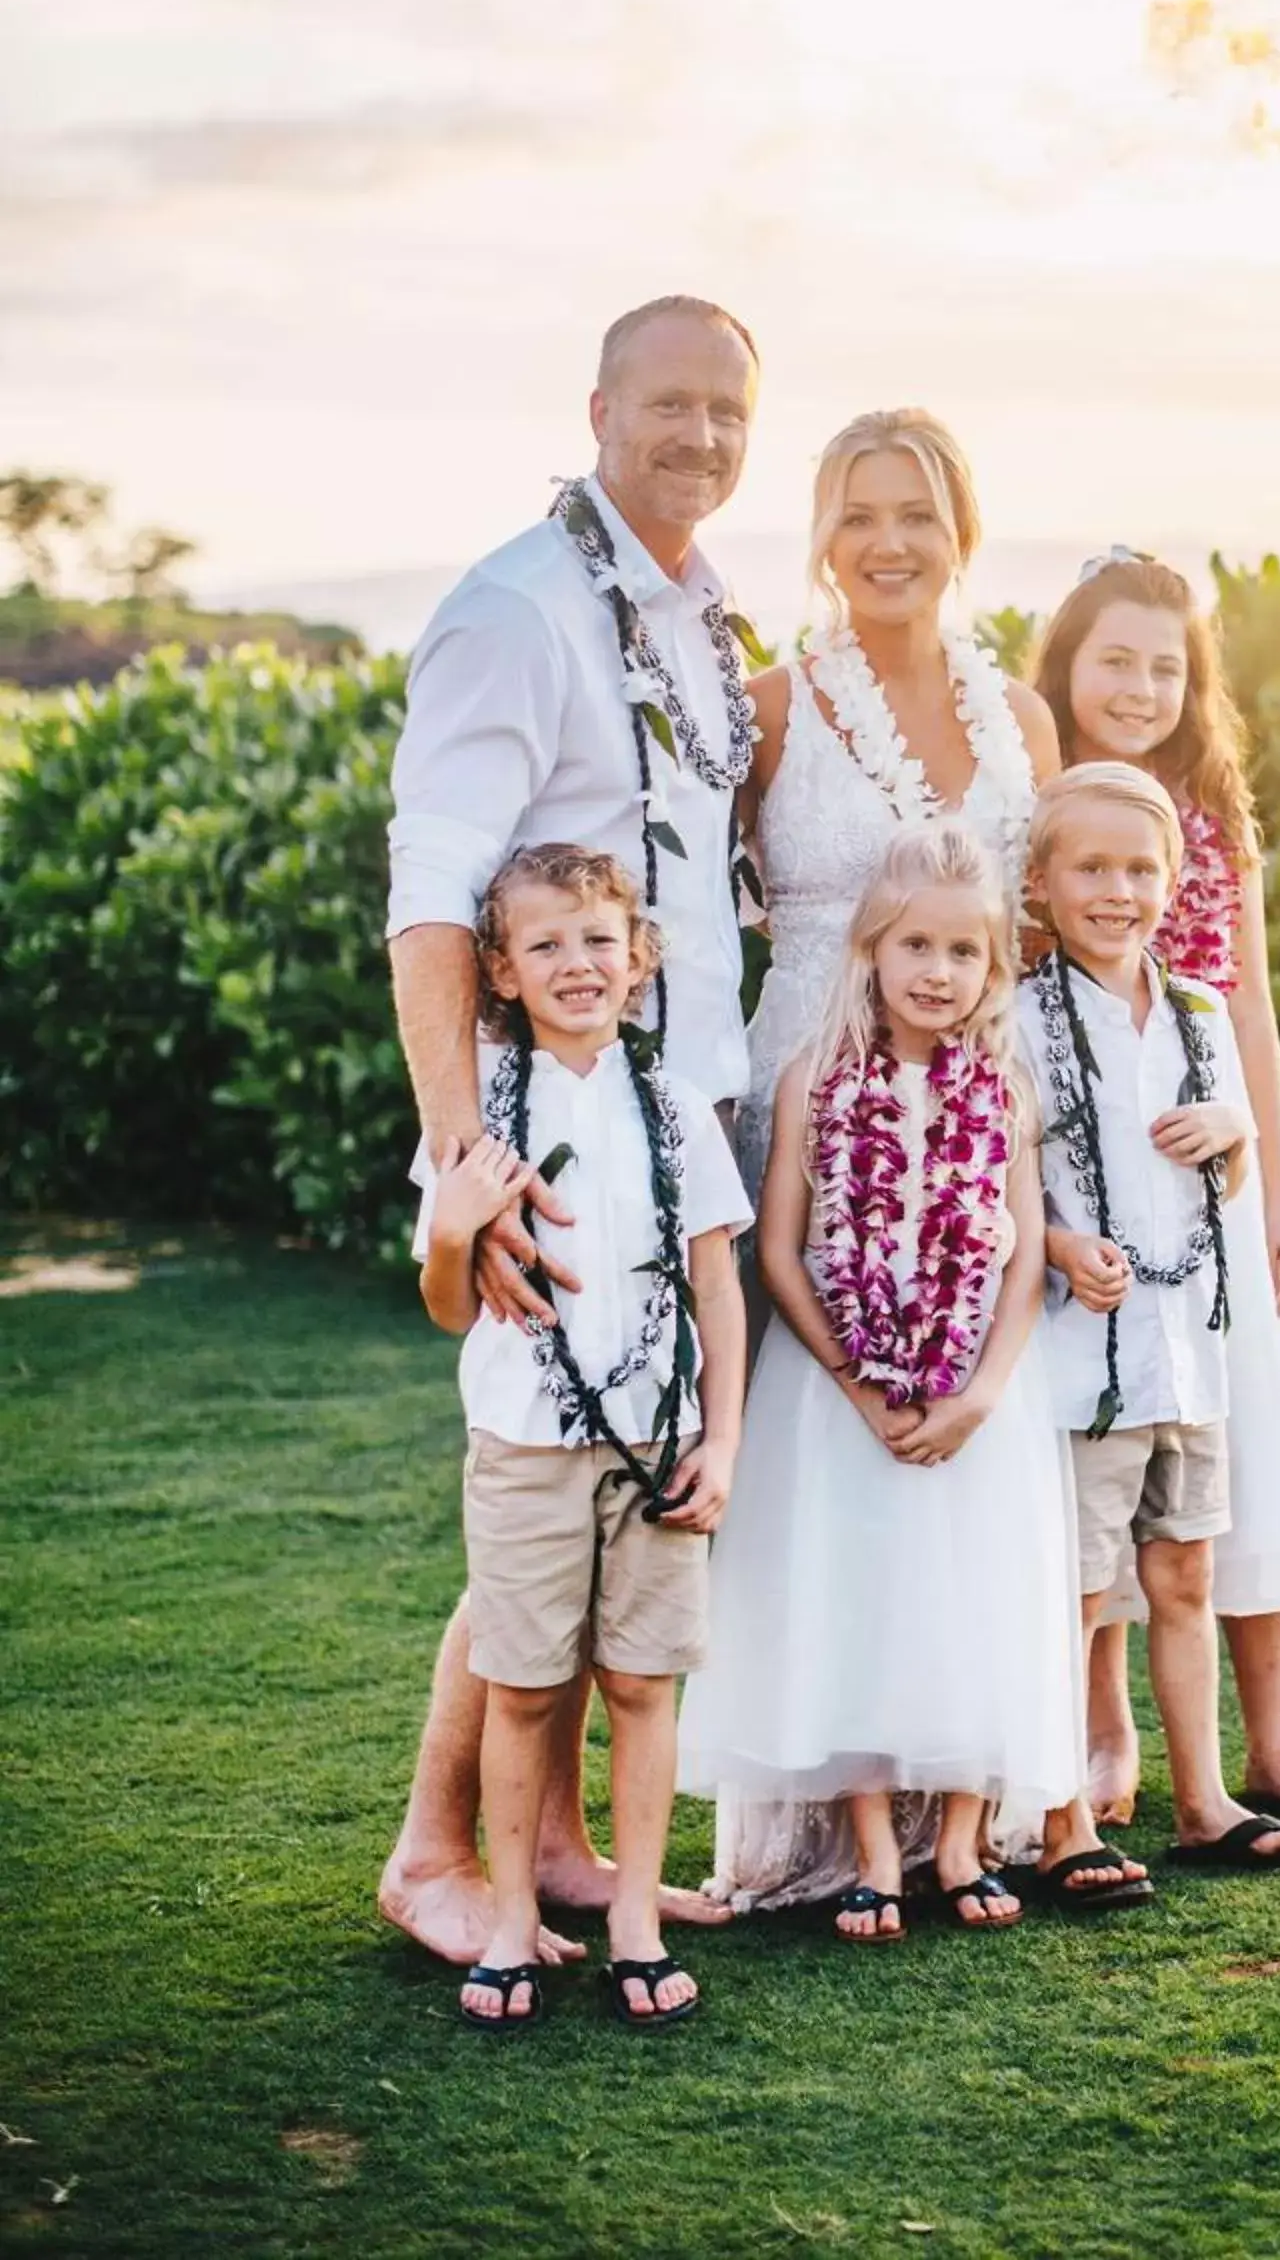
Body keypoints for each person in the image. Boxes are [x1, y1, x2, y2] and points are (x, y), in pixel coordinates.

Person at [380, 293, 760, 1964]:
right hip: (535, 1139)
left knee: (607, 1476)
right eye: (670, 404)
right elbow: (431, 897)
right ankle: (430, 1854)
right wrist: (472, 1159)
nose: (699, 437)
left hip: (663, 1113)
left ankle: (564, 1852)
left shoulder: (697, 612)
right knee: (537, 1490)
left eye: (729, 413)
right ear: (599, 407)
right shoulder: (520, 609)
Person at [680, 823, 1140, 1931]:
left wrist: (978, 1392)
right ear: (871, 951)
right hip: (841, 1396)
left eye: (963, 953)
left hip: (983, 1392)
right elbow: (780, 1253)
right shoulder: (815, 1081)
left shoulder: (1003, 1086)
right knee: (861, 1598)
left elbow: (1028, 1251)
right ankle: (878, 1849)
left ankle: (962, 1842)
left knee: (982, 1598)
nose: (938, 973)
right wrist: (856, 1378)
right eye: (917, 948)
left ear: (993, 966)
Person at [1032, 555, 1280, 1837]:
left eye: (1166, 667)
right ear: (1066, 662)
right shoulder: (1038, 814)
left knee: (1246, 1443)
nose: (1139, 687)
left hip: (1214, 1181)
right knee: (1106, 1437)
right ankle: (1109, 1730)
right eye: (1114, 659)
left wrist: (1279, 1199)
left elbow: (1252, 1018)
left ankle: (1273, 1747)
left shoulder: (1215, 826)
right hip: (1087, 1191)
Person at [414, 844, 750, 2028]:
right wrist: (455, 1230)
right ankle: (510, 1921)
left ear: (637, 958)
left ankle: (635, 1922)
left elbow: (716, 1283)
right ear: (499, 971)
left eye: (599, 940)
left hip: (659, 1442)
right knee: (520, 1688)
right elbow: (449, 1306)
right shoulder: (477, 1115)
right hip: (525, 1443)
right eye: (545, 944)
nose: (576, 963)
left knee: (644, 1685)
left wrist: (722, 1439)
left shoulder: (673, 1108)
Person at [1022, 763, 1280, 1873]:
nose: (1117, 890)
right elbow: (1002, 1184)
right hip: (1082, 1359)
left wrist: (1234, 1144)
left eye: (1140, 868)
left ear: (1174, 877)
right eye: (1091, 868)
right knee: (1083, 1590)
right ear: (1041, 882)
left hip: (1189, 1354)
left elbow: (1226, 1190)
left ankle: (1204, 1800)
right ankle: (1063, 1821)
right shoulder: (1019, 1020)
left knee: (1185, 1573)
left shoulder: (1199, 1014)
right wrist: (1059, 1246)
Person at [735, 407, 1059, 1209]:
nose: (889, 545)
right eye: (859, 519)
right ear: (825, 542)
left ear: (962, 536)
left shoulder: (1023, 721)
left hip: (979, 1121)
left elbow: (1052, 937)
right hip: (804, 1116)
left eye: (918, 517)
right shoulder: (769, 711)